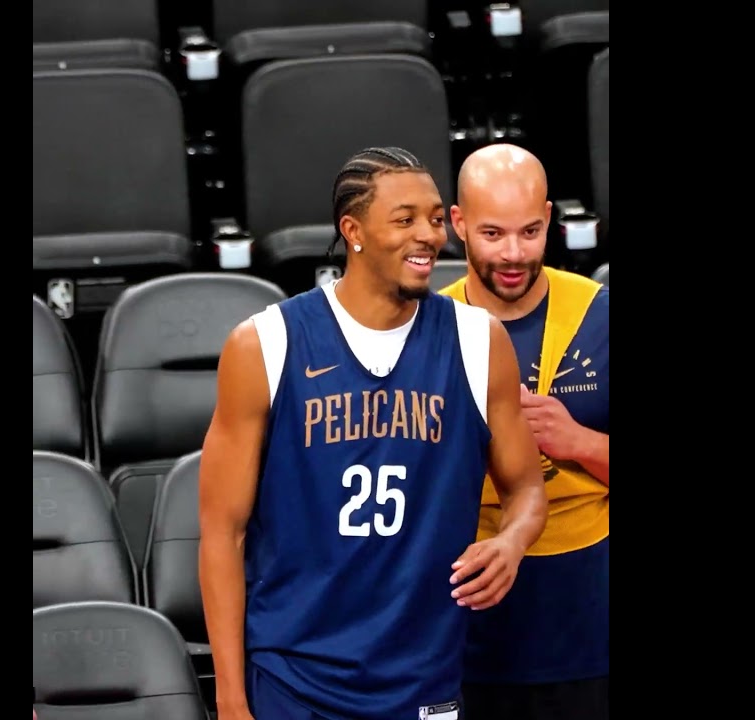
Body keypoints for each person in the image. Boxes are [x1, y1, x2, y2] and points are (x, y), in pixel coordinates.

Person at [198, 146, 549, 720]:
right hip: (293, 677)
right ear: (352, 230)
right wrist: (231, 697)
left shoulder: (478, 341)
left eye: (436, 219)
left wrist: (511, 542)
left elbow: (527, 489)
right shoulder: (264, 344)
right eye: (404, 219)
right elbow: (222, 534)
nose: (429, 236)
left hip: (422, 676)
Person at [439, 143, 609, 720]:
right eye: (492, 235)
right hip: (466, 616)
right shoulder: (425, 331)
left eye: (530, 232)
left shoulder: (599, 314)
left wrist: (579, 442)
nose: (513, 254)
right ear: (458, 224)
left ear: (550, 220)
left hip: (588, 613)